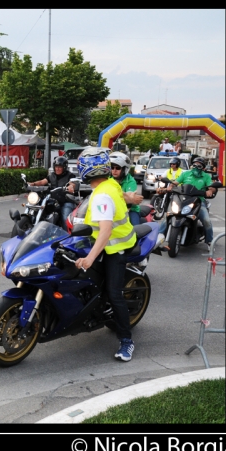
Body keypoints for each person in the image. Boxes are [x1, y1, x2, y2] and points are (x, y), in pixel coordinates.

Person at [75, 147, 137, 362]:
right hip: (108, 240)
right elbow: (121, 197)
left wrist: (90, 258)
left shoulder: (102, 193)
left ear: (87, 170)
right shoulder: (109, 184)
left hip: (114, 247)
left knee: (114, 293)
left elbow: (106, 231)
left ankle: (126, 340)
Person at [158, 156, 216, 252]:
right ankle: (159, 237)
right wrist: (170, 186)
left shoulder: (206, 176)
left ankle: (210, 241)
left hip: (198, 201)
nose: (196, 166)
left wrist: (210, 190)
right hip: (182, 199)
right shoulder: (186, 174)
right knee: (169, 215)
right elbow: (176, 183)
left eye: (199, 165)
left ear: (203, 167)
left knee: (206, 221)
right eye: (195, 164)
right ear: (192, 165)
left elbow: (211, 187)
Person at [27, 155, 77, 230]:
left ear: (64, 167)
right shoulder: (52, 175)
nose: (57, 169)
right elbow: (42, 182)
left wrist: (71, 187)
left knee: (65, 217)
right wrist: (32, 184)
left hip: (66, 200)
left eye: (60, 167)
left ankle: (67, 236)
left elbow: (72, 183)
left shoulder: (70, 175)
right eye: (56, 166)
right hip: (53, 199)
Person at [109, 152, 143, 227]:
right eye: (112, 167)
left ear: (125, 169)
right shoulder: (108, 179)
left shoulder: (130, 181)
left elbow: (129, 199)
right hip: (112, 209)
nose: (114, 170)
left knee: (135, 230)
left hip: (131, 210)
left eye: (118, 168)